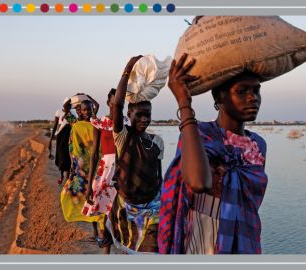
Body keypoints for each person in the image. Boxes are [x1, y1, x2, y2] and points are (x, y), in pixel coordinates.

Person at [158, 53, 268, 254]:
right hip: (202, 238)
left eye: (256, 90)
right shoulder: (199, 135)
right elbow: (199, 182)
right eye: (242, 91)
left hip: (244, 241)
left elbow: (248, 205)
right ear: (219, 97)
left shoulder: (258, 145)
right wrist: (183, 102)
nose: (253, 97)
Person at [109, 56, 164, 253]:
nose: (143, 119)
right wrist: (128, 69)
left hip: (154, 205)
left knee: (152, 249)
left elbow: (158, 173)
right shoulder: (123, 137)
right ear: (129, 115)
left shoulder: (157, 142)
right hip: (129, 206)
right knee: (130, 248)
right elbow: (116, 105)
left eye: (147, 114)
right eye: (138, 114)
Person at [60, 99, 104, 241]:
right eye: (82, 110)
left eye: (88, 109)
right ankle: (96, 232)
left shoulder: (96, 123)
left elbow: (97, 106)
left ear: (92, 109)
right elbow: (66, 111)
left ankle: (99, 234)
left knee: (95, 198)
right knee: (74, 195)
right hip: (81, 168)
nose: (85, 112)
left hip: (94, 167)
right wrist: (69, 103)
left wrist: (90, 98)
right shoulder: (76, 124)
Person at [82, 88, 118, 254]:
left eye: (119, 103)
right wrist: (89, 184)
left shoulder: (127, 121)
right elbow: (94, 153)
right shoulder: (100, 122)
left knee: (119, 212)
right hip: (105, 170)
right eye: (113, 103)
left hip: (121, 169)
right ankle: (106, 254)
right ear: (108, 103)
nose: (116, 106)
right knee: (105, 212)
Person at [48, 97, 76, 185]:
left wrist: (69, 116)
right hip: (60, 138)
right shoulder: (59, 112)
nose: (69, 106)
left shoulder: (71, 114)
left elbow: (74, 127)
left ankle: (67, 179)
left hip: (68, 138)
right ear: (64, 105)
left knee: (68, 157)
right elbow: (55, 125)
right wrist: (50, 139)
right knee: (61, 156)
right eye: (67, 104)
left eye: (70, 105)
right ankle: (61, 175)